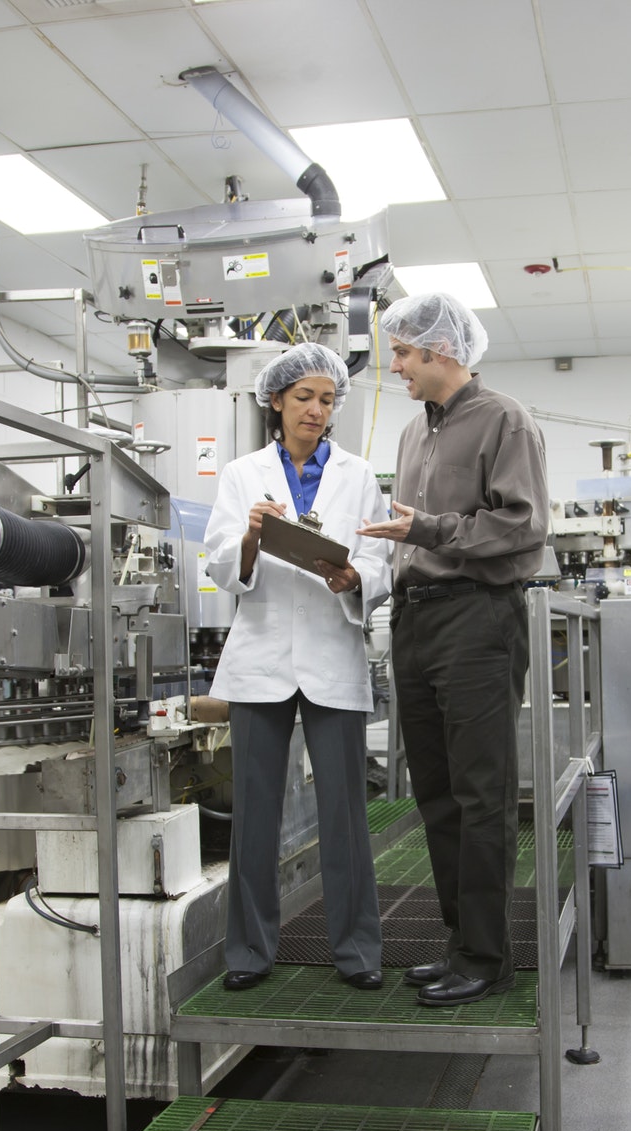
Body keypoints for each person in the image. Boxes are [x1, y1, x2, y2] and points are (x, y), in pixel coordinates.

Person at [355, 293, 549, 1007]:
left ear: (440, 351)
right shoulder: (413, 433)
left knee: (479, 795)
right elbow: (410, 536)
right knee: (436, 795)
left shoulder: (503, 420)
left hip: (477, 619)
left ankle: (487, 956)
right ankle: (459, 942)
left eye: (404, 353)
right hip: (416, 621)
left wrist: (430, 531)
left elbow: (522, 525)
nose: (397, 367)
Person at [203, 342, 393, 991]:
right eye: (305, 397)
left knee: (345, 817)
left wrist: (355, 578)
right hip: (261, 660)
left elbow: (378, 559)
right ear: (277, 400)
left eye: (327, 399)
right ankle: (248, 953)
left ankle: (358, 952)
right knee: (254, 816)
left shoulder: (359, 475)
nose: (316, 410)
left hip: (331, 653)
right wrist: (253, 537)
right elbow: (220, 561)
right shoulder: (242, 474)